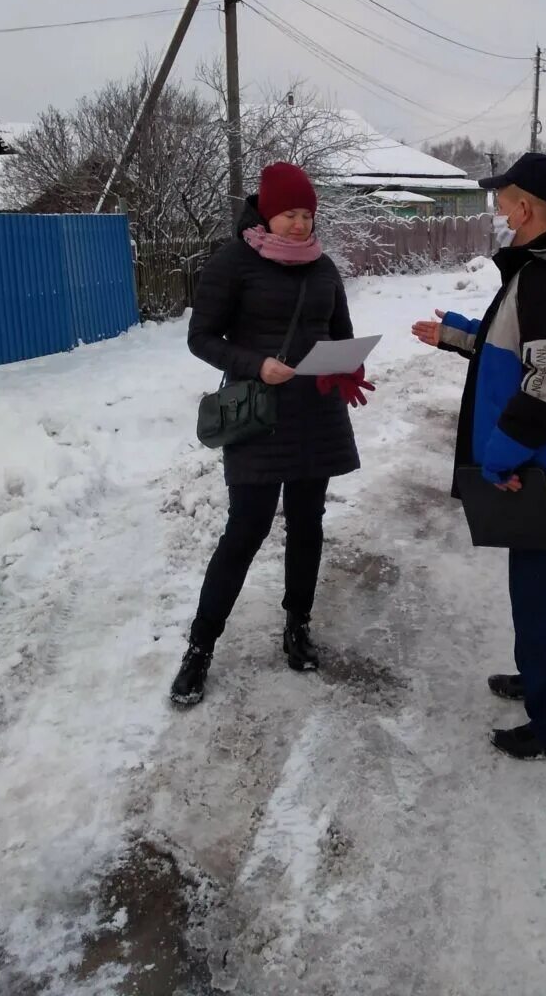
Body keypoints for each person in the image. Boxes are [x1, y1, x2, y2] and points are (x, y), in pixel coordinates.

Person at [412, 153, 546, 761]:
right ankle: (544, 680)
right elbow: (525, 348)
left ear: (524, 206)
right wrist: (455, 335)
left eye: (501, 200)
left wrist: (499, 459)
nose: (498, 210)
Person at [170, 162, 374, 706]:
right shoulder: (233, 263)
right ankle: (199, 647)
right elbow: (201, 337)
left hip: (316, 416)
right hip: (258, 414)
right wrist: (255, 364)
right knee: (246, 530)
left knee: (308, 526)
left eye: (307, 214)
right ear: (265, 211)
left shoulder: (324, 268)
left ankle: (296, 625)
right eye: (289, 214)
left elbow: (340, 333)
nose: (299, 225)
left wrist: (345, 366)